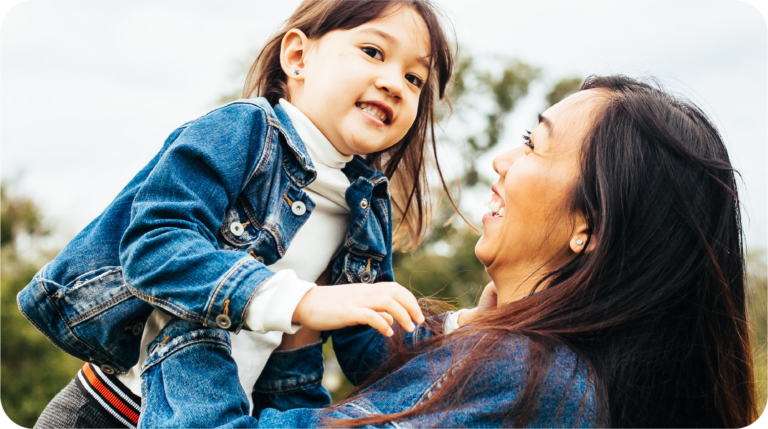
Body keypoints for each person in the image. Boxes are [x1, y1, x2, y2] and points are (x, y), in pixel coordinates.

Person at [139, 75, 756, 429]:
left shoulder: (523, 376)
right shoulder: (549, 375)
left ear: (589, 227)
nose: (502, 163)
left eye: (534, 147)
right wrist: (300, 337)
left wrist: (189, 320)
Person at [20, 0, 459, 427]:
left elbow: (369, 348)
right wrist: (302, 300)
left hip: (223, 413)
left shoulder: (363, 207)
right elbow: (154, 246)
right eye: (373, 52)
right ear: (298, 56)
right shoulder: (243, 132)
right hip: (113, 408)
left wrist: (467, 330)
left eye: (415, 78)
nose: (394, 83)